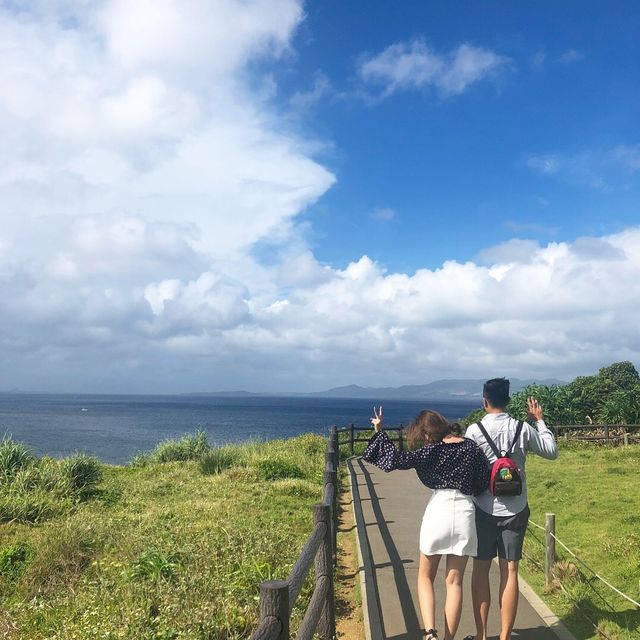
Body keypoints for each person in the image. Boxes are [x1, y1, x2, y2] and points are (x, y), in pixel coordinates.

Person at [363, 406, 490, 640]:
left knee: (425, 577)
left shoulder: (432, 450)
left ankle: (430, 633)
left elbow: (394, 460)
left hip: (438, 510)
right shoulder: (471, 447)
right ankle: (449, 638)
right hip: (464, 511)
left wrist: (379, 431)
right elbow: (483, 479)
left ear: (427, 433)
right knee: (454, 582)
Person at [463, 379, 558, 640]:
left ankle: (482, 635)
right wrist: (539, 420)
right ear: (508, 400)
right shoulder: (522, 428)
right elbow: (551, 451)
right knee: (510, 570)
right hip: (516, 508)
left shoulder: (474, 430)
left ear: (484, 401)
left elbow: (467, 468)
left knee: (481, 569)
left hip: (483, 507)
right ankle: (505, 637)